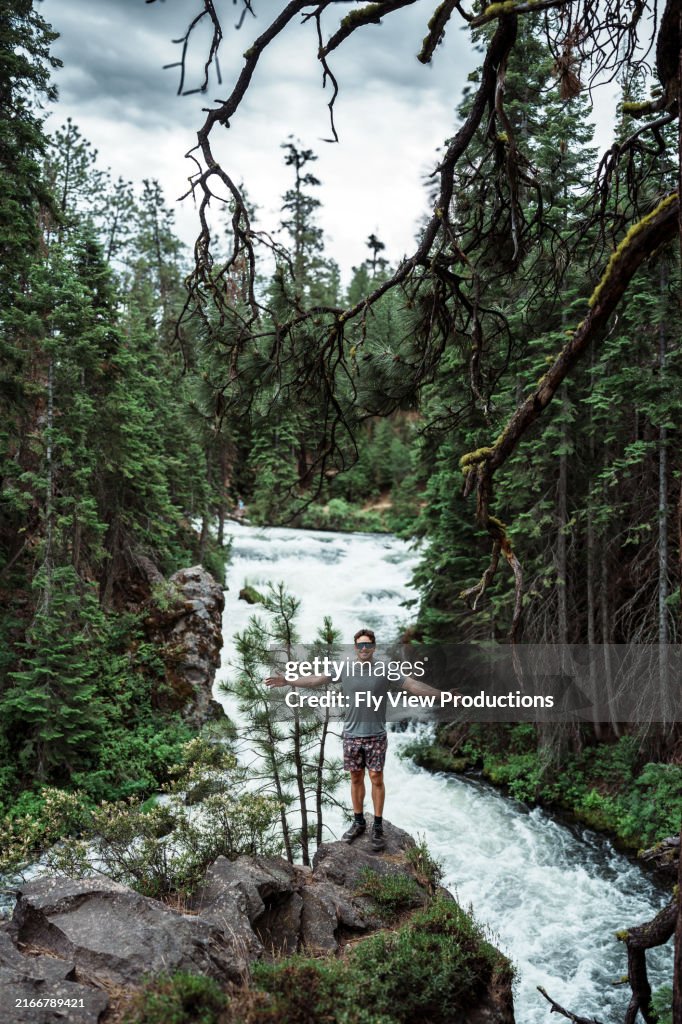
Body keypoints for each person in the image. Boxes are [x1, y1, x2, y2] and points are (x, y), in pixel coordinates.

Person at [265, 628, 450, 852]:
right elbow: (316, 679)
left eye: (368, 645)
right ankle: (359, 821)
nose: (364, 649)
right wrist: (288, 680)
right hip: (352, 734)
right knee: (355, 778)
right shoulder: (345, 667)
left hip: (376, 734)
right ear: (356, 647)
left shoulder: (385, 669)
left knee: (376, 778)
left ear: (373, 647)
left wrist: (443, 695)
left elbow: (413, 686)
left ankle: (378, 826)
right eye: (360, 645)